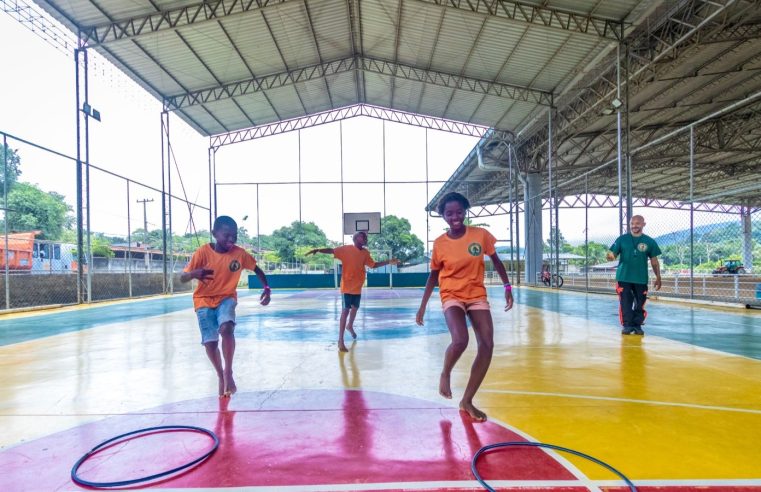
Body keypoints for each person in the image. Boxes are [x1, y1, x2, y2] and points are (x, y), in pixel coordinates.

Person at [416, 192, 514, 422]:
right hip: (451, 293)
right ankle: (445, 372)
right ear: (443, 216)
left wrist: (507, 287)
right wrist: (422, 307)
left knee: (487, 344)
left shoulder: (480, 235)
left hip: (476, 294)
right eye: (449, 213)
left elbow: (496, 261)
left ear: (465, 211)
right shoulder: (440, 244)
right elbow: (433, 276)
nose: (455, 217)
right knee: (460, 340)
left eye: (459, 212)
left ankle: (467, 400)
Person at [181, 215, 271, 397]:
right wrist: (193, 274)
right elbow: (182, 277)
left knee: (227, 328)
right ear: (214, 233)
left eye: (234, 236)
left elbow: (257, 269)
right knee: (210, 342)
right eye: (226, 235)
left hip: (226, 297)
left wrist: (267, 288)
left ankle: (228, 371)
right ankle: (220, 374)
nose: (231, 239)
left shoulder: (239, 254)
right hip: (203, 300)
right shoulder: (202, 253)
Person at [306, 231, 400, 352]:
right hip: (346, 286)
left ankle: (349, 326)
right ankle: (340, 341)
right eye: (362, 236)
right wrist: (318, 250)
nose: (365, 237)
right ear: (355, 239)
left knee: (355, 308)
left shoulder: (365, 253)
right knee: (345, 311)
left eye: (366, 236)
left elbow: (373, 265)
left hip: (357, 287)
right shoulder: (346, 249)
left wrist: (388, 261)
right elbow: (332, 250)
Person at [607, 214, 662, 335]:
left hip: (641, 278)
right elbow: (612, 254)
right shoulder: (622, 239)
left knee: (640, 302)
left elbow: (654, 260)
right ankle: (627, 325)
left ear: (643, 224)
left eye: (637, 223)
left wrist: (658, 277)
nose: (634, 226)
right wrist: (610, 256)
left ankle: (637, 325)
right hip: (624, 277)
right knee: (625, 302)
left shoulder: (650, 241)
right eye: (632, 223)